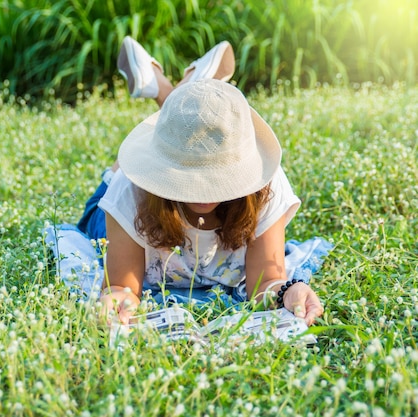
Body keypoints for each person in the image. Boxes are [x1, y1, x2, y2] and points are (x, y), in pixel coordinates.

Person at [76, 36, 324, 326]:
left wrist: (289, 291)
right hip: (117, 195)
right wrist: (116, 300)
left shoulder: (264, 186)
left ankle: (175, 93)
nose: (203, 191)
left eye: (216, 177)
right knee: (95, 224)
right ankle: (182, 92)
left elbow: (265, 285)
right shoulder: (129, 191)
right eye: (187, 175)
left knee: (184, 133)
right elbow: (123, 288)